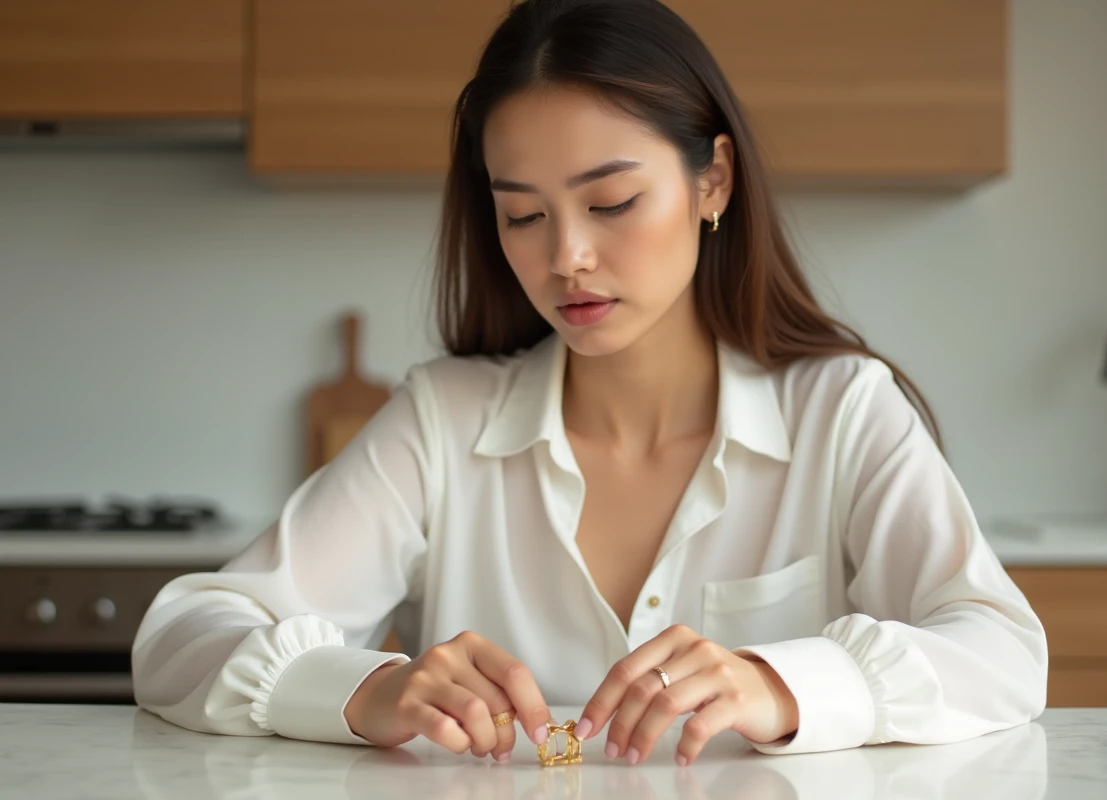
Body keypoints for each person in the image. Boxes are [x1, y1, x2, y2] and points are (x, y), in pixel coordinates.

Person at [132, 0, 1047, 767]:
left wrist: (779, 682)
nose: (566, 257)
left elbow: (1003, 651)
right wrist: (369, 688)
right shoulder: (444, 421)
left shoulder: (842, 411)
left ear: (713, 180)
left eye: (611, 203)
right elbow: (183, 634)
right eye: (522, 215)